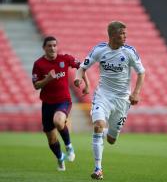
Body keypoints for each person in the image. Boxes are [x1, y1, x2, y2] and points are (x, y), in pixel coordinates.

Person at [74, 21, 146, 180]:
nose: (125, 37)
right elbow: (82, 67)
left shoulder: (129, 52)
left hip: (122, 100)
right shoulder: (100, 50)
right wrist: (78, 79)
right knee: (98, 125)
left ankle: (108, 132)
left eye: (126, 34)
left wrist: (136, 93)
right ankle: (98, 168)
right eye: (122, 34)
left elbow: (141, 73)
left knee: (112, 139)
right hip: (103, 96)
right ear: (113, 35)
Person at [32, 36, 89, 171]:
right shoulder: (38, 64)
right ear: (44, 48)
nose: (52, 48)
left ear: (57, 47)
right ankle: (60, 157)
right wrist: (47, 80)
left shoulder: (64, 59)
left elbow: (81, 67)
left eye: (54, 45)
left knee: (58, 121)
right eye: (49, 46)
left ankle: (69, 146)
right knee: (51, 139)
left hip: (63, 101)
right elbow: (36, 85)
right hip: (47, 103)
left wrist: (87, 84)